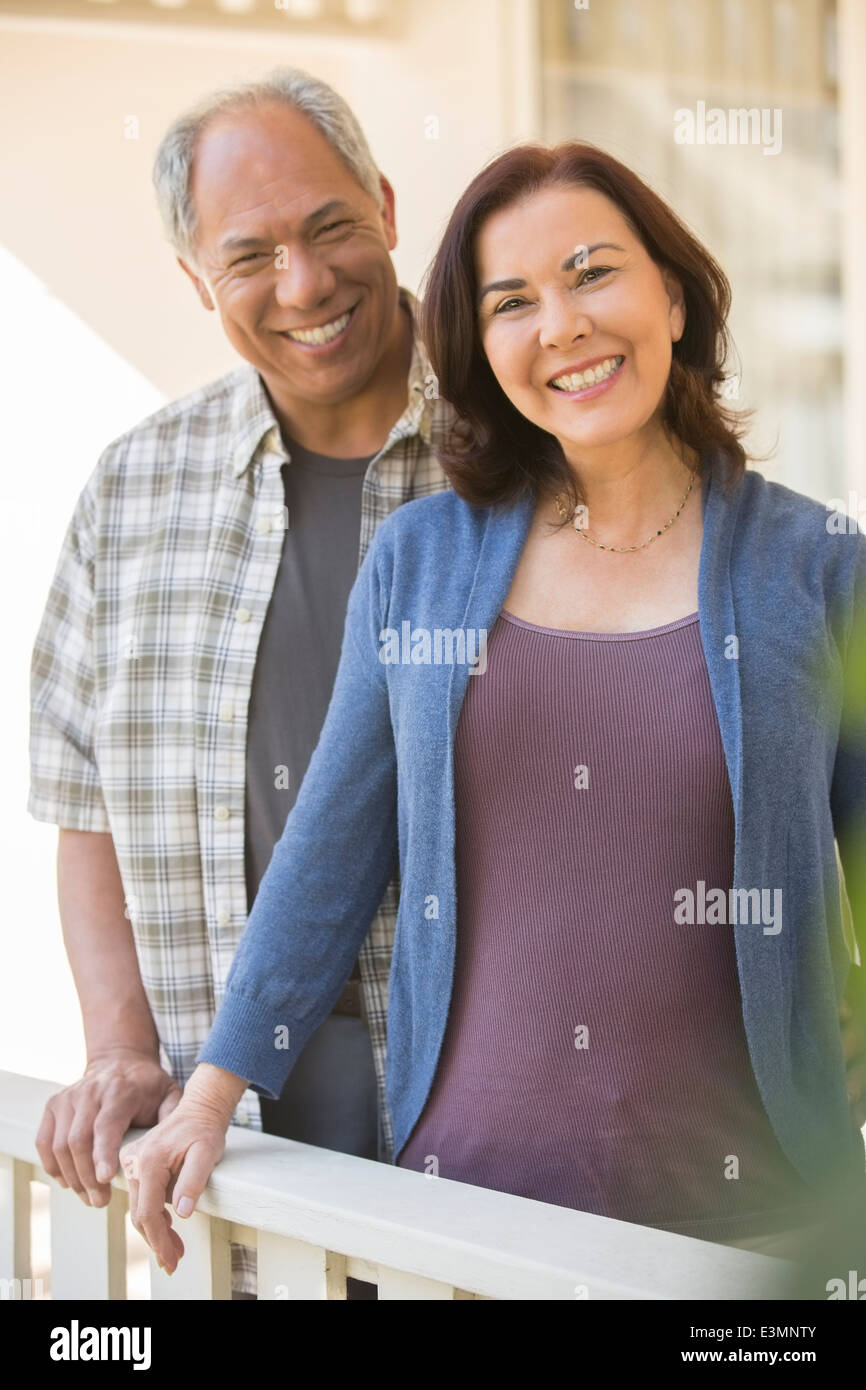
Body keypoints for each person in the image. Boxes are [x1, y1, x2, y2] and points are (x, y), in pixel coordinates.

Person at [124, 139, 866, 1286]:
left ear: (670, 293)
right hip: (454, 1232)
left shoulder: (815, 567)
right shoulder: (420, 559)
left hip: (753, 1244)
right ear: (480, 349)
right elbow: (329, 848)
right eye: (511, 301)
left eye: (590, 273)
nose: (559, 324)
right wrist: (212, 1090)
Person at [28, 68, 450, 1298]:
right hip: (233, 1176)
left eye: (328, 228)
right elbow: (83, 805)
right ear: (195, 281)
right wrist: (118, 1048)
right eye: (250, 254)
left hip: (498, 1175)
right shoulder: (132, 490)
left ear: (381, 203)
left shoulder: (523, 453)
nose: (304, 285)